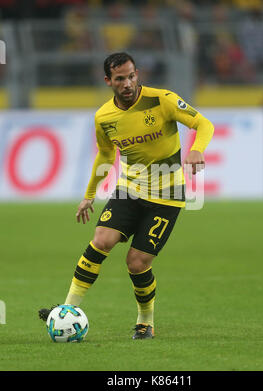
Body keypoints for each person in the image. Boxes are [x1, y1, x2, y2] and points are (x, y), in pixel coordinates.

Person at [39, 52, 214, 339]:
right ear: (108, 81)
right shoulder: (104, 117)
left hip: (167, 196)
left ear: (137, 74)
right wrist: (89, 195)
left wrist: (197, 149)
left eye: (131, 76)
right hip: (130, 190)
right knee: (101, 240)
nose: (128, 83)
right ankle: (67, 309)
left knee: (137, 262)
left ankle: (146, 320)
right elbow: (106, 154)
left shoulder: (163, 100)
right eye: (120, 78)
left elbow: (204, 124)